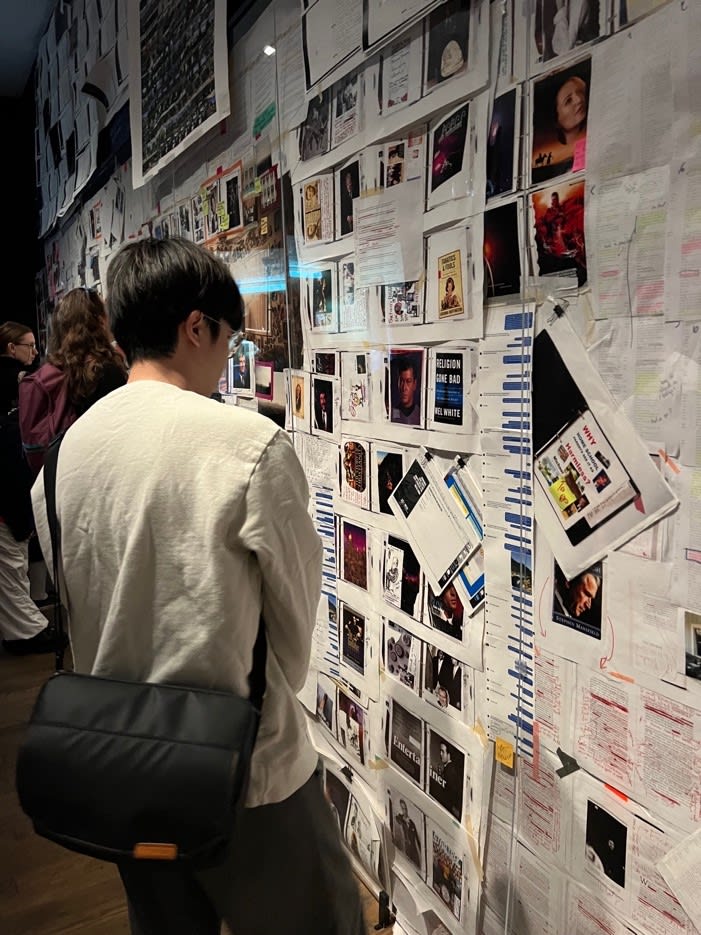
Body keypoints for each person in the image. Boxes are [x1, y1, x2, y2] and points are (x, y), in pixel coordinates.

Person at [30, 237, 364, 935]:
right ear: (195, 325)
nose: (226, 359)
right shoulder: (248, 445)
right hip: (249, 776)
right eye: (227, 338)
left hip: (122, 767)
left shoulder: (64, 455)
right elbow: (295, 637)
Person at [0, 322, 57, 655]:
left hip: (13, 488)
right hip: (9, 489)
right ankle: (24, 634)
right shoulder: (16, 387)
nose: (35, 352)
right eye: (30, 346)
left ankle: (28, 623)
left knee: (16, 560)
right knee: (10, 561)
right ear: (11, 348)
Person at [391, 356, 421, 425]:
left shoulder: (421, 415)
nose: (404, 387)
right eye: (401, 381)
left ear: (414, 384)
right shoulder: (391, 414)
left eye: (408, 381)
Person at [394, 798, 421, 868]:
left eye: (405, 809)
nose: (405, 811)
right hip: (405, 849)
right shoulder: (400, 819)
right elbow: (397, 819)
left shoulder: (411, 823)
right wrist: (403, 820)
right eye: (403, 809)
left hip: (413, 850)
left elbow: (417, 840)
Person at [340, 169, 356, 236]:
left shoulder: (356, 193)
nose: (349, 186)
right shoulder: (344, 197)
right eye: (347, 184)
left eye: (350, 183)